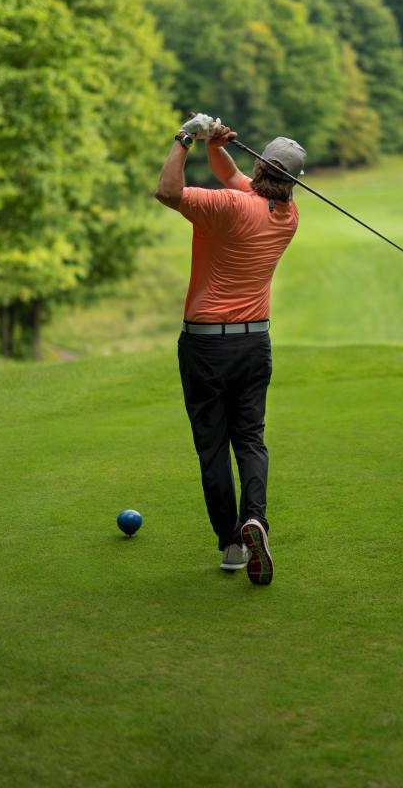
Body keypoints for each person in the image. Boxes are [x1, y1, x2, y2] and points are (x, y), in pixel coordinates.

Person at [153, 113, 305, 586]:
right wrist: (218, 145)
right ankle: (254, 518)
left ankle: (232, 544)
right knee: (250, 439)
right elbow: (232, 178)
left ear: (260, 167)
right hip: (254, 343)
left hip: (206, 348)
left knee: (213, 448)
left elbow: (168, 192)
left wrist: (186, 138)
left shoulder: (228, 208)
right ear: (292, 182)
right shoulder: (287, 216)